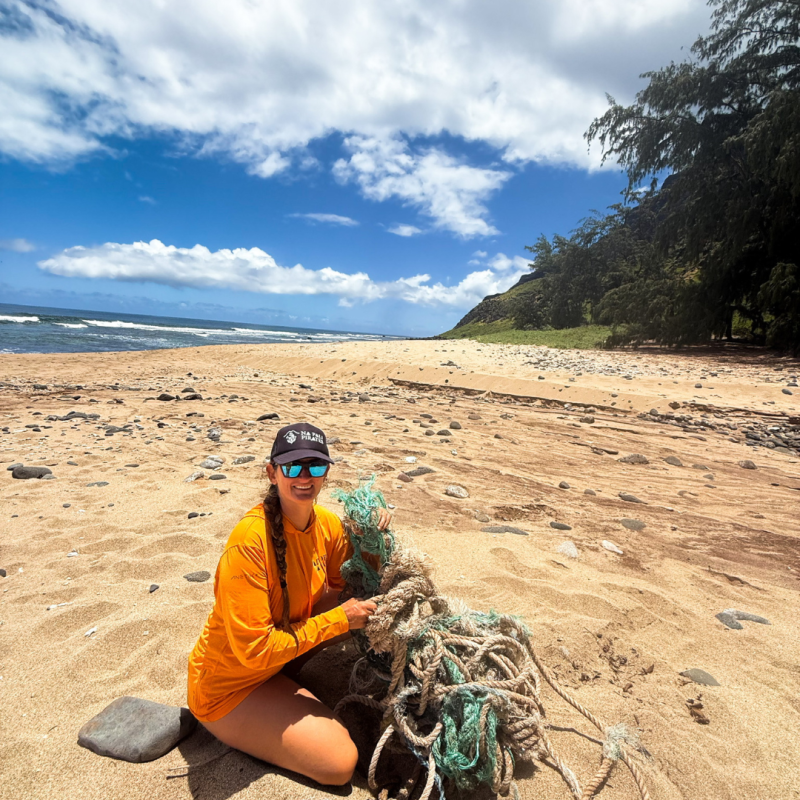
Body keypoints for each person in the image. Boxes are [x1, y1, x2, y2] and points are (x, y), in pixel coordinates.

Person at [187, 422, 389, 785]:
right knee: (340, 763)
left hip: (278, 658)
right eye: (293, 467)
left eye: (316, 466)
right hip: (229, 686)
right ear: (272, 472)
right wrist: (339, 621)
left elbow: (355, 587)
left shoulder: (325, 524)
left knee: (349, 605)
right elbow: (253, 650)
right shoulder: (249, 543)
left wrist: (372, 539)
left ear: (327, 472)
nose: (305, 476)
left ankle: (286, 691)